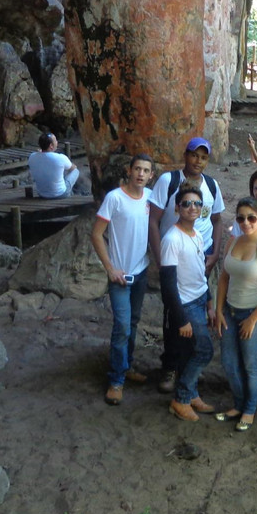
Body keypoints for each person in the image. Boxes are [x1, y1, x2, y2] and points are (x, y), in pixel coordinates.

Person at [149, 137, 225, 393]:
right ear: (186, 155)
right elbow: (154, 220)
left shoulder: (212, 186)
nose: (198, 161)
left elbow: (217, 220)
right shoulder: (168, 181)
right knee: (175, 313)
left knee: (197, 313)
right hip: (174, 254)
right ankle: (170, 365)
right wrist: (159, 257)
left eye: (203, 157)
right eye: (194, 155)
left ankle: (189, 367)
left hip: (200, 253)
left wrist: (214, 253)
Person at [90, 154, 153, 406]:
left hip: (141, 271)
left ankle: (126, 366)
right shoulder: (114, 198)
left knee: (134, 322)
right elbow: (96, 234)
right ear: (129, 170)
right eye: (137, 168)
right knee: (122, 326)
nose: (140, 174)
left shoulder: (150, 199)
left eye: (146, 170)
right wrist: (110, 268)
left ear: (151, 176)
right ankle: (115, 379)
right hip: (119, 276)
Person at [214, 197, 257, 431]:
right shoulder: (233, 241)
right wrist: (219, 310)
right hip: (230, 311)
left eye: (251, 218)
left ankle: (249, 410)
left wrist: (253, 319)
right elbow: (224, 278)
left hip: (255, 313)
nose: (246, 222)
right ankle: (239, 404)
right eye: (241, 218)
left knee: (251, 365)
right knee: (230, 362)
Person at [159, 184, 218, 421]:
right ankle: (181, 398)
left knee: (189, 353)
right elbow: (168, 283)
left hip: (200, 298)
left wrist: (210, 302)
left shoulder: (197, 234)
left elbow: (200, 273)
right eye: (186, 203)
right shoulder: (172, 239)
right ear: (177, 208)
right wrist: (181, 318)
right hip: (185, 305)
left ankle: (191, 393)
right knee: (204, 350)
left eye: (197, 204)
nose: (192, 208)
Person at [27, 133, 80, 198]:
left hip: (42, 194)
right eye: (56, 141)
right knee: (76, 171)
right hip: (60, 194)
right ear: (51, 145)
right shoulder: (60, 158)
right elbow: (73, 168)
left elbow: (44, 160)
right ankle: (70, 192)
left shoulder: (32, 157)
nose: (57, 142)